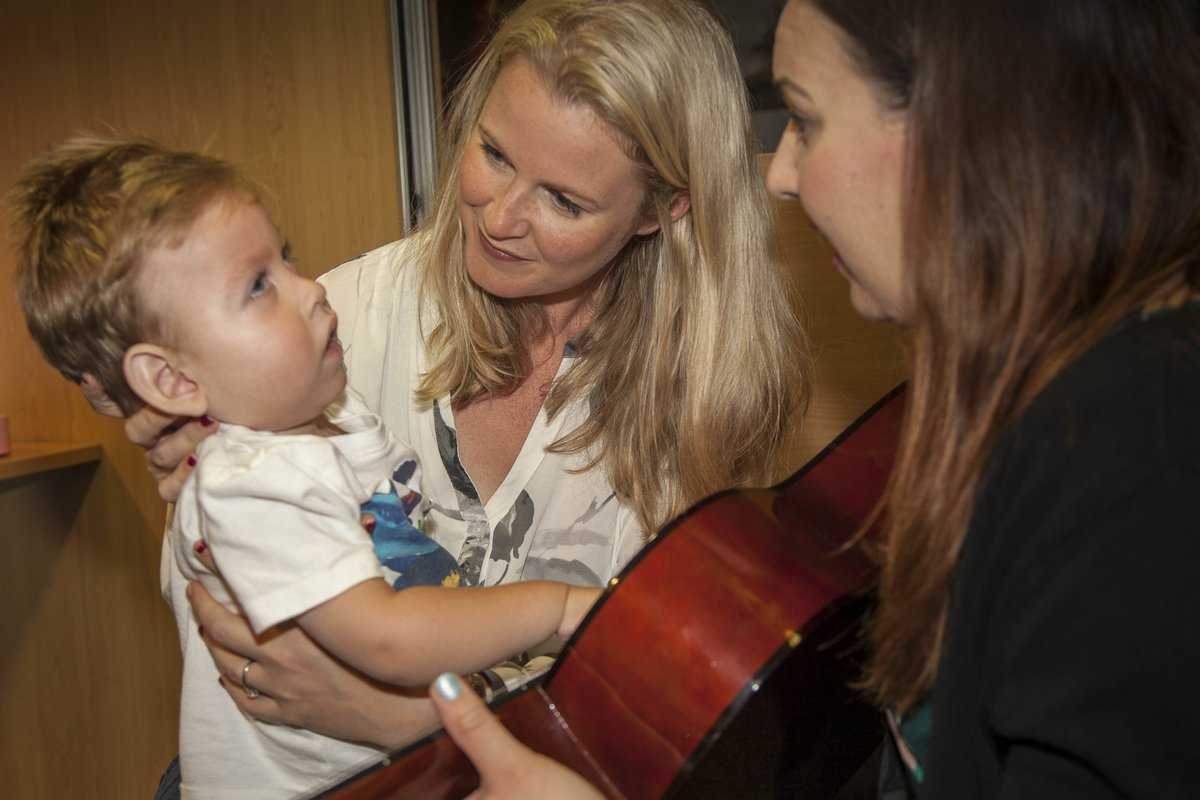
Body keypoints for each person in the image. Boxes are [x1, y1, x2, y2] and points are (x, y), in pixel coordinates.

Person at [421, 0, 1200, 797]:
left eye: (805, 117)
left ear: (971, 126)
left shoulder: (1138, 455)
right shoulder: (1028, 410)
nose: (782, 176)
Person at [82, 0, 809, 774]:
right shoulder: (338, 320)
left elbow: (662, 724)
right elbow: (219, 609)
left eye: (563, 201)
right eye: (493, 153)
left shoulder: (703, 411)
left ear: (663, 211)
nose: (497, 218)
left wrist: (416, 722)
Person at [12, 136, 602, 798]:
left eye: (285, 258)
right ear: (171, 381)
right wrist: (556, 605)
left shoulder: (332, 419)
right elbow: (388, 640)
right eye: (259, 285)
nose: (312, 291)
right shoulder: (252, 485)